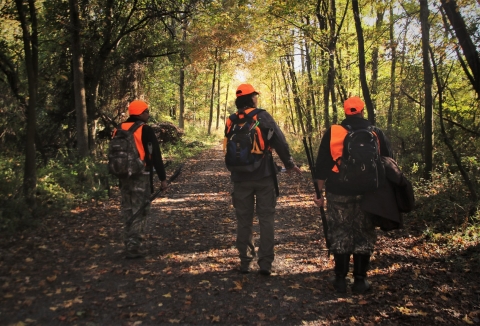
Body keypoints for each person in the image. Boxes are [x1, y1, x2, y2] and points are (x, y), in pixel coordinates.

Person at [313, 96, 392, 293]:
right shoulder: (375, 132)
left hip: (338, 191)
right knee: (364, 232)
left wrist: (319, 193)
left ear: (346, 111)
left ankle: (340, 279)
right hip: (369, 193)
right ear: (363, 111)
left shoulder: (333, 132)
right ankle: (360, 280)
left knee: (340, 230)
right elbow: (388, 163)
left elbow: (322, 166)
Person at [227, 83, 301, 276]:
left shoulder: (231, 120)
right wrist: (289, 164)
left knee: (244, 221)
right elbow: (279, 142)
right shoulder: (262, 116)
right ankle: (265, 264)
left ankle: (245, 262)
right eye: (255, 96)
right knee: (266, 219)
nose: (256, 98)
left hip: (240, 178)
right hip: (264, 176)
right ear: (251, 98)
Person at [116, 100, 168, 259]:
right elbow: (156, 156)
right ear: (141, 113)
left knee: (127, 209)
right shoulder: (145, 130)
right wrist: (163, 179)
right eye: (147, 111)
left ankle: (128, 242)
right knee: (141, 210)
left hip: (123, 176)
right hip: (141, 176)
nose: (148, 114)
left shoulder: (118, 129)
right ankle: (133, 247)